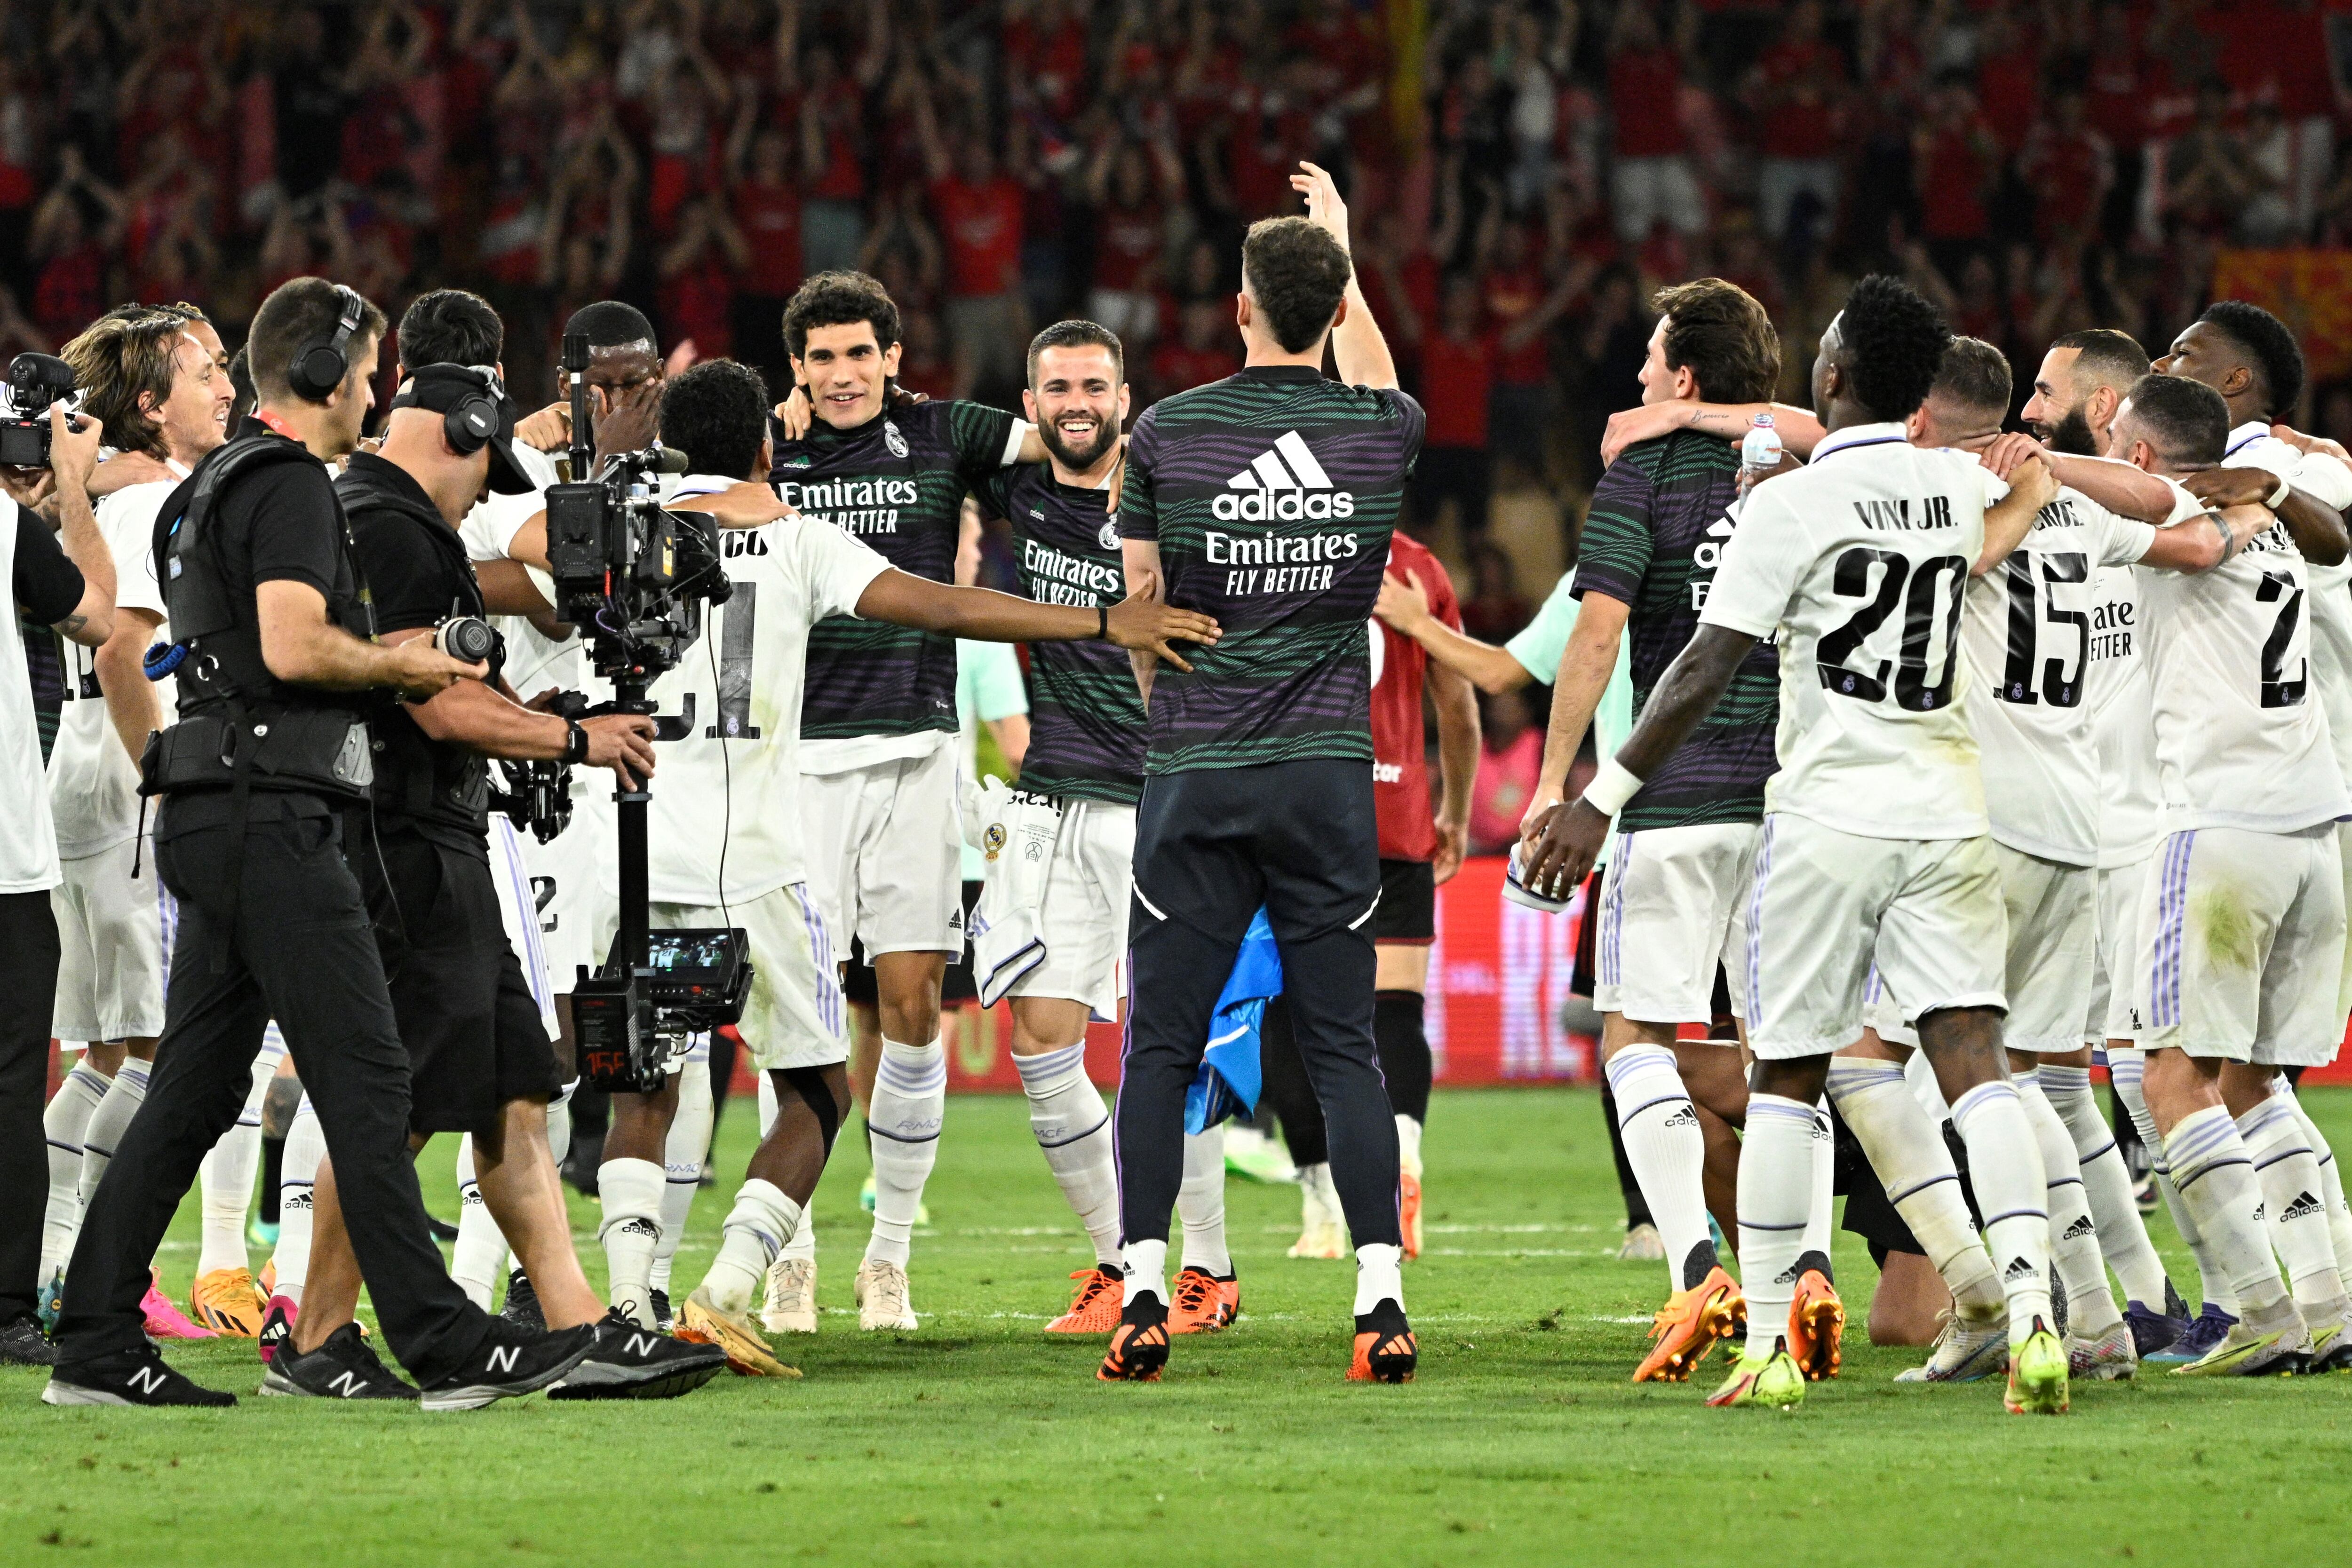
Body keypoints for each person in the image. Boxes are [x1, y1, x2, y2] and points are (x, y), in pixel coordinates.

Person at [585, 358, 1214, 1378]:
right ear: (767, 446)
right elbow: (944, 606)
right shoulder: (797, 539)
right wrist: (1104, 619)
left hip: (639, 844)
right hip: (758, 850)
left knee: (644, 1086)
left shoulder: (612, 539)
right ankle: (733, 1286)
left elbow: (506, 575)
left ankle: (625, 1307)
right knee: (819, 1086)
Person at [1525, 275, 2068, 1413]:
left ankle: (1769, 1341)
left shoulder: (1793, 503)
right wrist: (2023, 484)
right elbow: (2011, 511)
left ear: (1833, 374)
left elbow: (1701, 667)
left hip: (1827, 815)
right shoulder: (1952, 486)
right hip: (1948, 805)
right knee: (1973, 1055)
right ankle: (2029, 1313)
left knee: (1786, 1071)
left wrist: (1598, 796)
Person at [45, 277, 588, 1410]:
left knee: (193, 1090)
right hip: (274, 810)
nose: (378, 392)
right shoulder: (288, 478)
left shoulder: (208, 488)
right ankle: (441, 1336)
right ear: (324, 372)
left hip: (212, 805)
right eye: (370, 369)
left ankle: (94, 1339)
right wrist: (403, 662)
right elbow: (295, 647)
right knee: (373, 1072)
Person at [267, 355, 726, 1401]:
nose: (485, 491)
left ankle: (579, 1329)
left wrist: (537, 720)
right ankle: (319, 1335)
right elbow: (436, 703)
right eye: (486, 467)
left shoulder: (384, 517)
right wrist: (574, 739)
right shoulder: (391, 524)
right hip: (405, 842)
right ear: (461, 434)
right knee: (401, 1105)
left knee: (518, 1087)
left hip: (436, 834)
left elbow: (461, 689)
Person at [1832, 338, 2264, 1387]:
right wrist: (2241, 512)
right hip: (2078, 825)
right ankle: (2102, 1317)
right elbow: (2185, 529)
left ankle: (1989, 1291)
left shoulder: (1949, 493)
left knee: (1866, 1060)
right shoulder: (2077, 500)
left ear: (1924, 415)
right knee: (2034, 1078)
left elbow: (1837, 457)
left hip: (1983, 821)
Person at [1108, 163, 1422, 1386]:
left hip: (1198, 769)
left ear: (1238, 308)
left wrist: (1176, 726)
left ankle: (1145, 1289)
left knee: (1161, 1046)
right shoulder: (1377, 427)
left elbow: (1140, 612)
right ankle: (1380, 1298)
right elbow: (1379, 377)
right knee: (1344, 1045)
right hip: (1326, 778)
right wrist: (1343, 252)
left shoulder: (1165, 432)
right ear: (1335, 309)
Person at [1518, 278, 1811, 1384]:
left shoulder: (1639, 474)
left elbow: (1597, 635)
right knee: (1781, 1052)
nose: (1639, 379)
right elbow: (1826, 433)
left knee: (1635, 1034)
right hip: (1788, 805)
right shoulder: (1804, 470)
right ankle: (1804, 1272)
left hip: (1673, 794)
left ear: (1684, 376)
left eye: (1651, 362)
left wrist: (1558, 779)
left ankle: (1696, 1266)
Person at [755, 269, 1050, 1333]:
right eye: (820, 359)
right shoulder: (766, 447)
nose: (840, 376)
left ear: (891, 357)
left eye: (858, 354)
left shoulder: (944, 433)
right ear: (797, 367)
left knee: (915, 1007)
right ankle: (788, 1252)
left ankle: (888, 1257)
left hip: (920, 755)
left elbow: (1065, 442)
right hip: (796, 764)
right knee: (797, 1015)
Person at [965, 320, 1243, 1338]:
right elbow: (921, 437)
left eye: (1094, 386)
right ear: (1029, 405)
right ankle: (1120, 1258)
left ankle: (1207, 1266)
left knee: (1173, 1040)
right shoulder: (1021, 489)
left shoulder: (1177, 497)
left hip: (1162, 797)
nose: (1076, 403)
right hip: (1052, 799)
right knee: (1041, 1042)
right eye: (1056, 388)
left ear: (1127, 400)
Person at [42, 305, 271, 1343]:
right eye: (207, 370)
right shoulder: (151, 504)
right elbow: (122, 650)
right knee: (158, 1043)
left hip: (84, 772)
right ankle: (100, 1275)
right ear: (149, 403)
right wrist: (168, 785)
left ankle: (53, 1263)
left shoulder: (108, 497)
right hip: (133, 780)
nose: (227, 385)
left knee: (104, 1049)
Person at [2135, 305, 2352, 1373]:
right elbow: (2333, 533)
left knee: (2168, 1073)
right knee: (2257, 1078)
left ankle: (2253, 1308)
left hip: (2218, 812)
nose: (2162, 358)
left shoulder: (2201, 488)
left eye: (2182, 354)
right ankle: (2330, 1301)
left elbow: (2162, 520)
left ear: (2231, 384)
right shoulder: (2302, 481)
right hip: (2314, 811)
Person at [1260, 521, 1476, 1264]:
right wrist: (1455, 811)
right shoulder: (1417, 567)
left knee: (1287, 1013)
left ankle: (1323, 1213)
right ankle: (1404, 1159)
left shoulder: (1276, 541)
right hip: (1396, 817)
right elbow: (1458, 708)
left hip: (1294, 815)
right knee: (1394, 1011)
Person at [0, 399, 117, 1369]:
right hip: (4, 860)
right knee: (10, 1081)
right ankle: (6, 1305)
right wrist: (68, 486)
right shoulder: (4, 525)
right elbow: (95, 613)